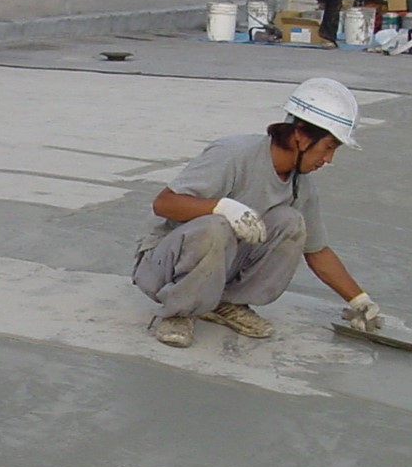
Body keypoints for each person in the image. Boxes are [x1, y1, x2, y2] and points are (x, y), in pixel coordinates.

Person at [133, 77, 384, 349]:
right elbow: (164, 204)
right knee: (216, 226)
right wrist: (221, 207)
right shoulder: (233, 154)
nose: (328, 159)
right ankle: (178, 312)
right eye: (328, 147)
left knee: (291, 222)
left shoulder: (302, 184)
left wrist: (359, 300)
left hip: (218, 268)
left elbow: (316, 250)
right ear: (300, 135)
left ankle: (226, 303)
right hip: (161, 266)